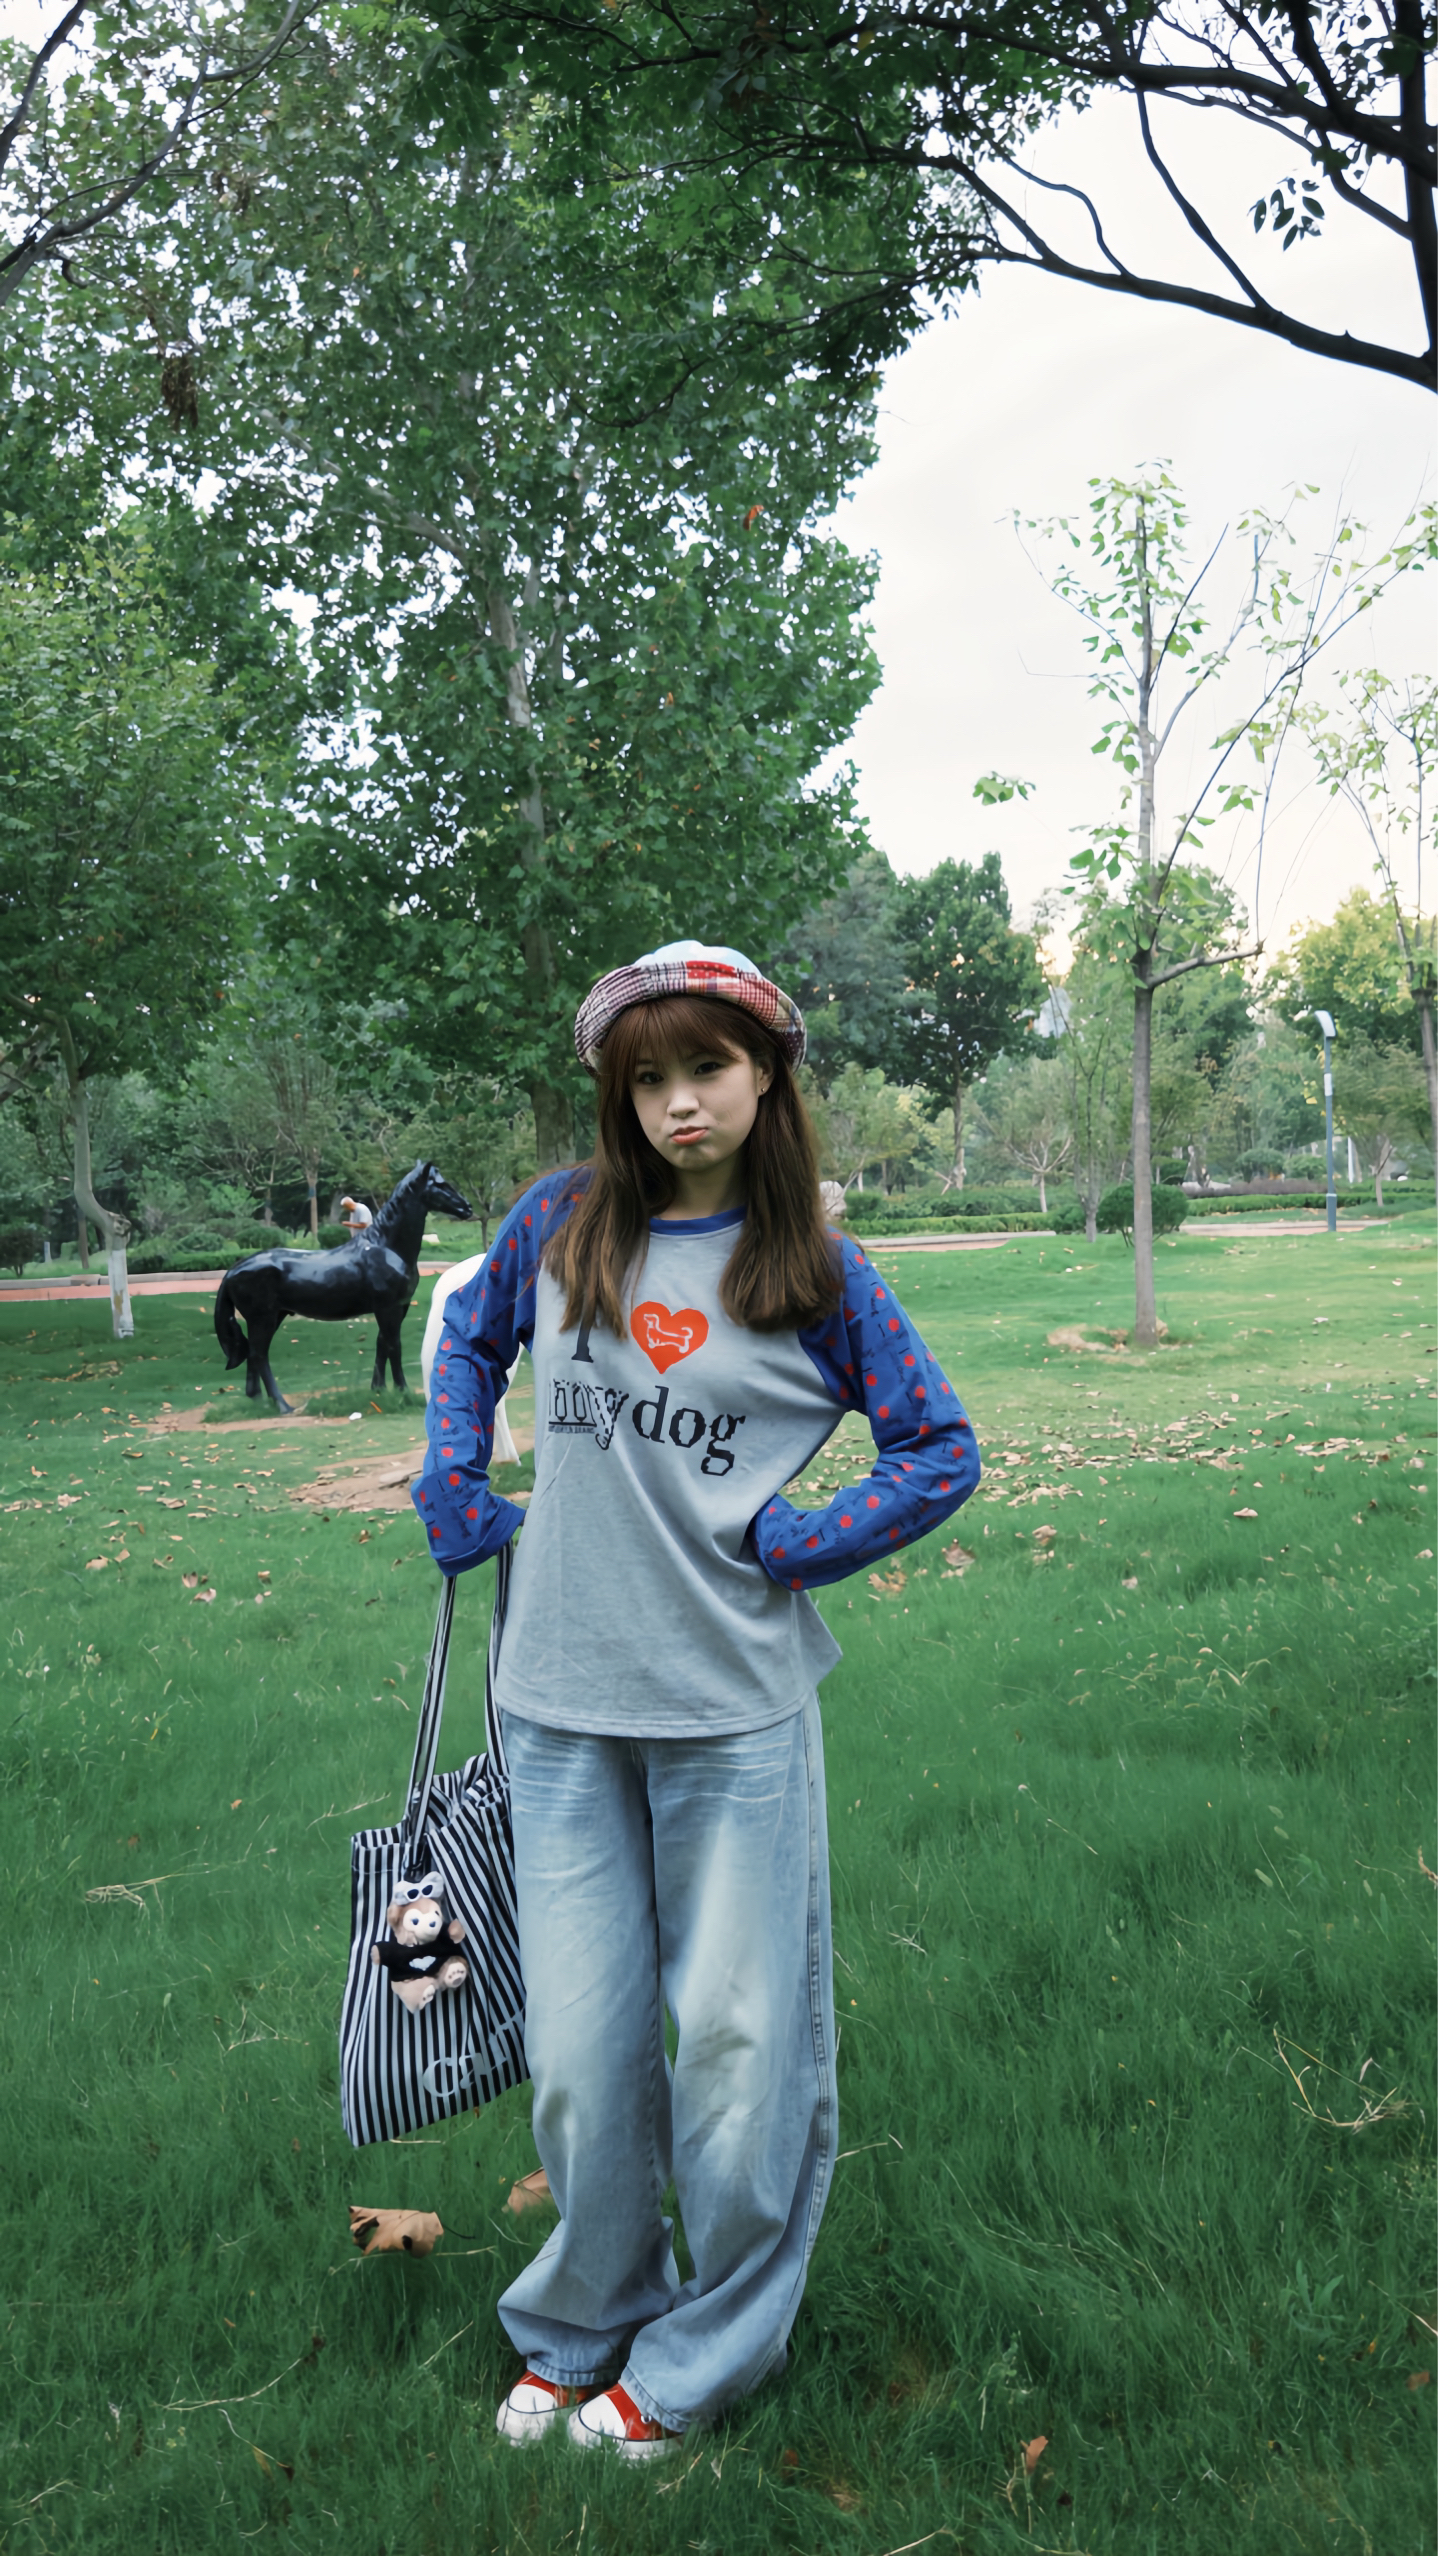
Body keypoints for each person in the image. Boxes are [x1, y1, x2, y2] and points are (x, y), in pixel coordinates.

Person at [411, 939, 981, 2460]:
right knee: (581, 2056)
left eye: (707, 1069)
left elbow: (939, 1448)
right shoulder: (560, 1222)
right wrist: (451, 1466)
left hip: (731, 1712)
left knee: (737, 2050)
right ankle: (583, 2318)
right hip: (555, 1702)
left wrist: (805, 1539)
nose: (678, 1103)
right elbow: (466, 1335)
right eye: (648, 1076)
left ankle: (707, 2350)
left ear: (767, 1075)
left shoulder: (817, 1270)